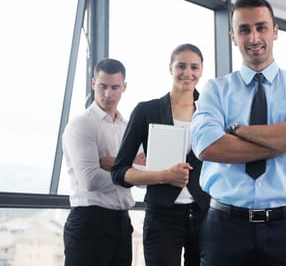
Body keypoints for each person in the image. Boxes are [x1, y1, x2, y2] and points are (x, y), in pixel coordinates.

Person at [191, 0, 286, 266]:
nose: (254, 37)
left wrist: (240, 130)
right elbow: (208, 147)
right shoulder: (216, 90)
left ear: (275, 32)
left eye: (261, 27)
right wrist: (285, 140)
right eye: (244, 30)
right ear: (233, 36)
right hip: (226, 229)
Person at [111, 44, 210, 266]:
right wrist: (164, 176)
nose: (188, 73)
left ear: (202, 70)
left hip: (206, 214)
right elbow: (119, 172)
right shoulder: (147, 111)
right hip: (162, 217)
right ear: (170, 68)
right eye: (181, 66)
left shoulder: (212, 112)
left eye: (194, 67)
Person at [62, 58, 142, 266]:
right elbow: (91, 181)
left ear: (124, 87)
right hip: (89, 222)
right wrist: (130, 169)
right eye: (102, 86)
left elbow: (145, 178)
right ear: (93, 84)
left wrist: (115, 165)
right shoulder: (82, 124)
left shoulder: (127, 127)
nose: (108, 94)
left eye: (115, 87)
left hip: (122, 223)